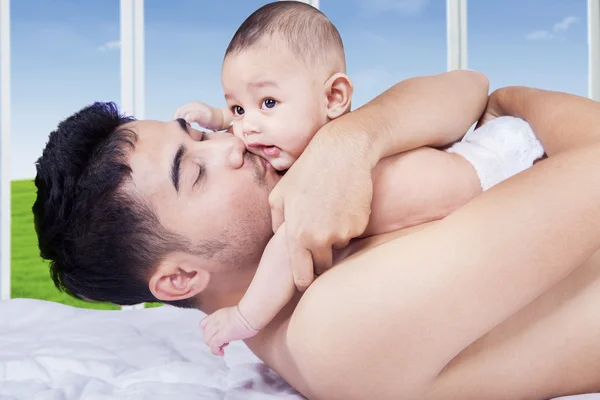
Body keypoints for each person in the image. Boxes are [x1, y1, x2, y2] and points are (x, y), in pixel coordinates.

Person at [33, 69, 600, 399]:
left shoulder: (319, 226)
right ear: (180, 277)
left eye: (200, 133)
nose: (232, 143)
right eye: (196, 172)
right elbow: (497, 104)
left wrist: (348, 145)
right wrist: (512, 105)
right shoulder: (333, 326)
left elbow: (468, 90)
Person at [173, 1, 543, 352]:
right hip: (493, 175)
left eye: (268, 103)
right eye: (237, 107)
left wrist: (244, 317)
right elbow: (252, 124)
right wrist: (218, 117)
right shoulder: (299, 142)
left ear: (334, 97)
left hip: (505, 167)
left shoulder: (319, 181)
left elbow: (287, 251)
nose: (246, 128)